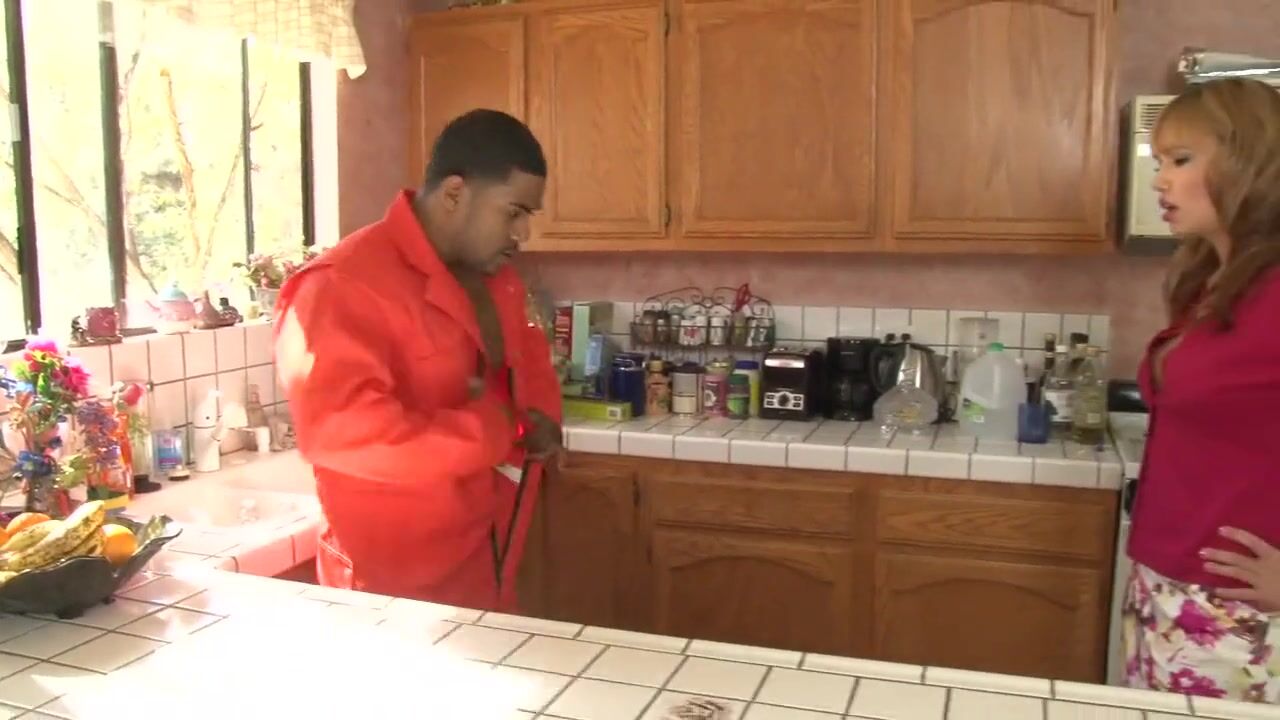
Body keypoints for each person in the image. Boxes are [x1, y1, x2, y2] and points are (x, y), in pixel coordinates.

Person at [273, 109, 563, 612]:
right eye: (514, 212)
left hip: (485, 565)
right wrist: (496, 430)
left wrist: (541, 419)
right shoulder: (341, 285)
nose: (522, 233)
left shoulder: (493, 276)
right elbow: (345, 435)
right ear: (454, 193)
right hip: (387, 593)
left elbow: (525, 359)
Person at [1122, 77, 1280, 703]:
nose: (1160, 181)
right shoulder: (1214, 282)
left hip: (1243, 616)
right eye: (1158, 162)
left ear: (1251, 165)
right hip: (1169, 591)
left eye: (1181, 160)